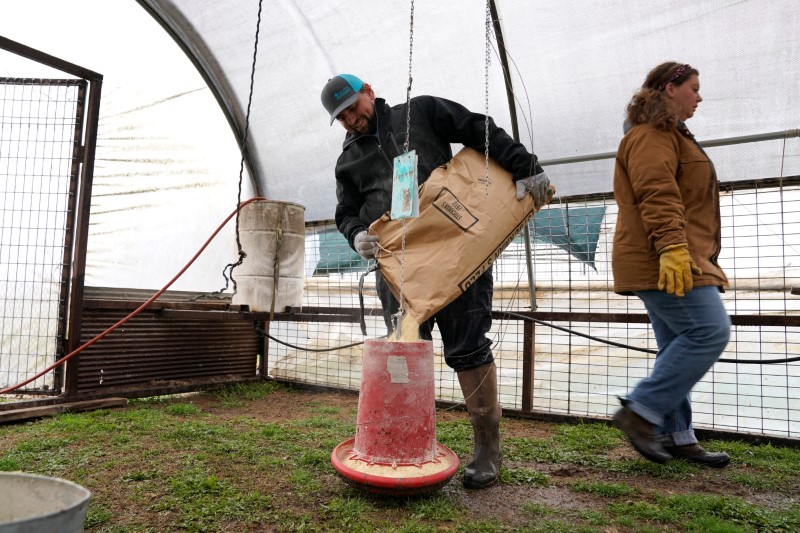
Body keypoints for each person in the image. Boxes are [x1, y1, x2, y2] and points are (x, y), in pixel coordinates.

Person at [321, 74, 551, 489]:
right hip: (399, 272)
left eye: (353, 107)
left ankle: (487, 449)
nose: (351, 120)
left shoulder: (420, 112)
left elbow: (478, 129)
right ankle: (404, 440)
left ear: (369, 92)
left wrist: (525, 166)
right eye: (342, 117)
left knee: (469, 348)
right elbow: (345, 211)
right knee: (405, 353)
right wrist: (357, 235)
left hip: (455, 257)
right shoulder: (348, 161)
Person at [611, 62, 731, 468]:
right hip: (666, 259)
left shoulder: (673, 136)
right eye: (693, 88)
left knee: (674, 346)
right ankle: (641, 411)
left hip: (676, 256)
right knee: (709, 331)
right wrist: (672, 247)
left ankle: (676, 434)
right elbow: (656, 192)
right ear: (669, 88)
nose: (699, 96)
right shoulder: (651, 135)